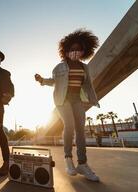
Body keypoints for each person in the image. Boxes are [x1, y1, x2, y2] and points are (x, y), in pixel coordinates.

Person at [35, 29, 100, 182]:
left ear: (84, 51)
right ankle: (68, 159)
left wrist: (92, 99)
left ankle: (82, 164)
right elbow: (54, 81)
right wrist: (42, 80)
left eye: (78, 49)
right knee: (69, 125)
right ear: (66, 51)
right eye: (72, 49)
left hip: (77, 99)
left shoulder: (85, 68)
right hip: (62, 100)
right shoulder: (59, 67)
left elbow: (88, 85)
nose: (75, 52)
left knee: (81, 131)